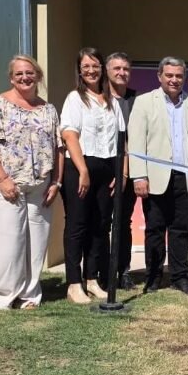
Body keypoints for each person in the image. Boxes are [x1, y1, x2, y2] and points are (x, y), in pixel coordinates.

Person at [0, 55, 64, 310]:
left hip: (40, 186)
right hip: (6, 186)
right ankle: (0, 298)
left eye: (29, 73)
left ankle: (29, 295)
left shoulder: (48, 109)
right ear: (11, 78)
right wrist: (2, 180)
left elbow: (59, 147)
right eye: (18, 74)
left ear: (38, 75)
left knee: (36, 244)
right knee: (8, 242)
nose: (25, 78)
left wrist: (56, 182)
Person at [128, 56, 188, 296]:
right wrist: (138, 176)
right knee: (155, 228)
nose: (174, 80)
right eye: (169, 75)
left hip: (185, 178)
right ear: (160, 76)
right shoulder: (144, 102)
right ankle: (153, 277)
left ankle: (179, 277)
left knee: (181, 229)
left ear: (184, 78)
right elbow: (136, 142)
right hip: (154, 178)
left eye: (178, 76)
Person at [60, 48, 126, 304]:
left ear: (102, 68)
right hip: (80, 166)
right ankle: (74, 283)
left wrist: (121, 173)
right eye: (85, 66)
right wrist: (83, 171)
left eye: (95, 65)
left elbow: (121, 139)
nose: (90, 70)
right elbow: (69, 135)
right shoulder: (75, 99)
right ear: (79, 70)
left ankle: (91, 279)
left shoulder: (111, 101)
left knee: (100, 226)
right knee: (77, 226)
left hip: (108, 166)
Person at [105, 51, 138, 290]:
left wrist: (125, 173)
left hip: (129, 171)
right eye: (116, 68)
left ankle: (123, 271)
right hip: (103, 169)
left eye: (125, 69)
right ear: (107, 71)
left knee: (123, 222)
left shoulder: (138, 100)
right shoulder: (98, 98)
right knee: (100, 223)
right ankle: (99, 272)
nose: (121, 73)